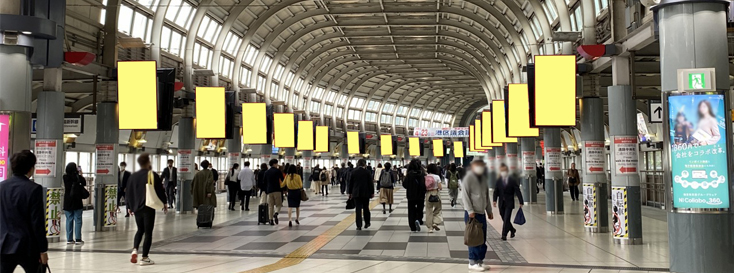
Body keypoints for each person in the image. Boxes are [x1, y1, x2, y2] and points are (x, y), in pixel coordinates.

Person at [0, 151, 49, 272]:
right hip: (27, 246)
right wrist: (43, 249)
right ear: (31, 169)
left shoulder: (1, 187)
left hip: (3, 244)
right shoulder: (34, 189)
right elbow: (37, 222)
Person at [125, 153, 167, 266]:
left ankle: (134, 249)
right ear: (148, 162)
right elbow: (159, 190)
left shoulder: (132, 176)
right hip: (148, 207)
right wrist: (165, 202)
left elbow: (128, 193)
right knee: (148, 232)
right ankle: (144, 257)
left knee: (140, 230)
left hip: (136, 208)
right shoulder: (152, 174)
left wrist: (129, 206)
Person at [461, 158, 494, 271]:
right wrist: (470, 210)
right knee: (474, 237)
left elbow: (486, 196)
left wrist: (489, 210)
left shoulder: (483, 179)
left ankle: (480, 261)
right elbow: (464, 196)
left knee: (482, 237)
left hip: (481, 212)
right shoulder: (468, 178)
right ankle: (472, 261)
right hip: (472, 213)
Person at [493, 163, 524, 241]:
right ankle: (512, 229)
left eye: (504, 170)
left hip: (509, 202)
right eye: (501, 170)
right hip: (501, 203)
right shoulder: (499, 180)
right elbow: (496, 191)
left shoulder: (512, 180)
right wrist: (494, 200)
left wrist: (521, 201)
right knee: (503, 217)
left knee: (506, 218)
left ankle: (504, 234)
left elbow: (517, 190)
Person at [62, 162, 86, 244]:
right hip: (77, 200)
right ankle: (78, 239)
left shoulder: (65, 177)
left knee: (69, 219)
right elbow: (84, 183)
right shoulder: (78, 177)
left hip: (68, 201)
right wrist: (80, 174)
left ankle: (69, 239)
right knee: (78, 219)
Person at [348, 159, 374, 230]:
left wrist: (350, 193)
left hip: (356, 193)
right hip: (366, 193)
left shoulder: (353, 172)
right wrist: (372, 192)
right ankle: (367, 223)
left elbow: (351, 183)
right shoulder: (367, 172)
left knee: (358, 209)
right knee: (366, 208)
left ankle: (359, 225)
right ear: (364, 164)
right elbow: (370, 183)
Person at [403, 159, 427, 232]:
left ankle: (412, 226)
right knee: (420, 208)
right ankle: (418, 219)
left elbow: (405, 185)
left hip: (411, 195)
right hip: (420, 195)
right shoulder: (422, 174)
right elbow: (425, 184)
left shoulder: (409, 174)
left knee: (411, 210)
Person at [424, 164, 443, 232]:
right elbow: (440, 187)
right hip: (436, 193)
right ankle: (435, 222)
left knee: (429, 210)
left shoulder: (425, 177)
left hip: (428, 194)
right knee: (438, 208)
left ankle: (430, 228)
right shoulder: (437, 177)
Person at [265, 159, 284, 225]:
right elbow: (282, 179)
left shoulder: (267, 172)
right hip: (277, 190)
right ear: (274, 164)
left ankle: (270, 220)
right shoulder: (278, 171)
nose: (277, 165)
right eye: (276, 163)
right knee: (279, 205)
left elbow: (264, 182)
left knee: (270, 206)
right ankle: (276, 213)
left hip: (269, 190)